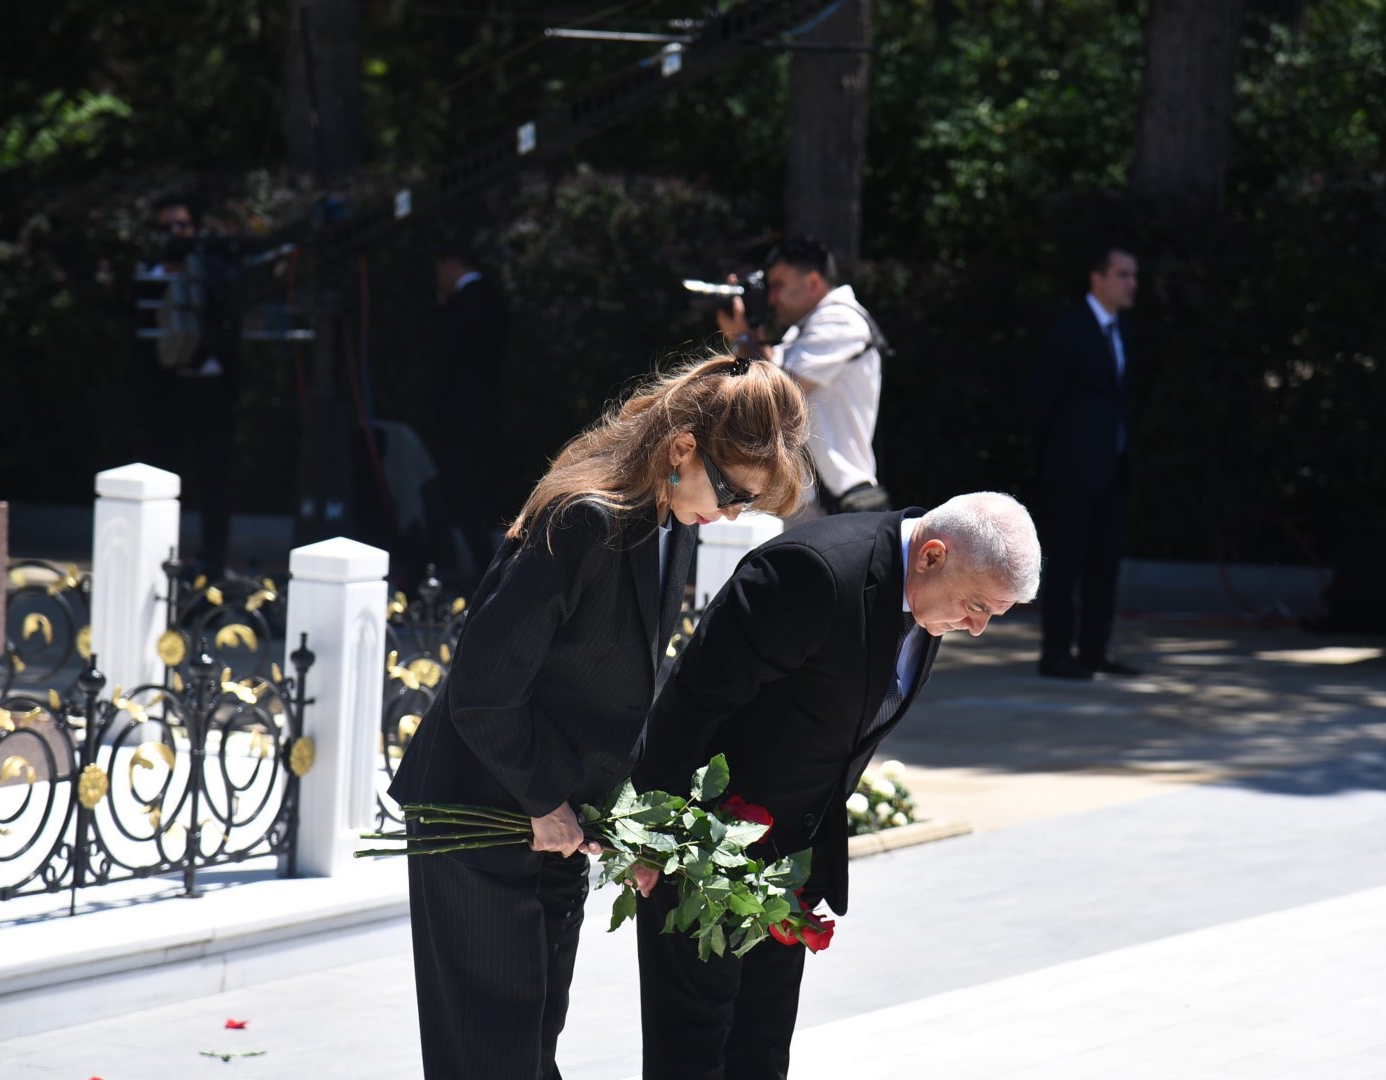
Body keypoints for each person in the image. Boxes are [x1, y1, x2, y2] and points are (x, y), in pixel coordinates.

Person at [388, 353, 812, 1079]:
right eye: (736, 493)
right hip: (484, 810)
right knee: (493, 1057)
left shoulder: (670, 523)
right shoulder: (586, 517)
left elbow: (613, 696)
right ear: (684, 449)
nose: (734, 515)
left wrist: (626, 821)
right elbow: (482, 693)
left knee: (531, 1045)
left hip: (549, 821)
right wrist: (547, 804)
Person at [631, 492, 1041, 1080]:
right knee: (692, 1054)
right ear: (930, 556)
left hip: (791, 866)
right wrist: (659, 833)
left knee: (762, 1052)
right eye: (975, 606)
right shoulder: (812, 573)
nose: (975, 629)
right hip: (704, 853)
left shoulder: (926, 600)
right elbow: (690, 703)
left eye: (990, 616)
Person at [1023, 245, 1142, 680]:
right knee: (1067, 562)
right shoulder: (1071, 330)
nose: (1131, 283)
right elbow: (1042, 400)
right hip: (1072, 471)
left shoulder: (1123, 332)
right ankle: (1055, 652)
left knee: (1105, 562)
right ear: (1098, 278)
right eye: (1123, 274)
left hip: (1111, 469)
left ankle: (1095, 649)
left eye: (1133, 275)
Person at [717, 235, 889, 516]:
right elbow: (764, 380)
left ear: (812, 282)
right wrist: (744, 334)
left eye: (778, 286)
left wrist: (748, 334)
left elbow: (779, 395)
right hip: (815, 502)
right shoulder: (804, 330)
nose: (771, 298)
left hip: (838, 503)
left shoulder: (841, 320)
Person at [139, 195, 241, 577]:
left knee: (215, 479)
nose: (175, 235)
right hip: (167, 392)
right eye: (167, 228)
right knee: (162, 477)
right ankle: (158, 560)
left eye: (182, 227)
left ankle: (213, 562)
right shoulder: (149, 277)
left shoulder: (214, 273)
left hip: (212, 392)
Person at [424, 233, 510, 587]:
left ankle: (476, 570)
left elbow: (444, 363)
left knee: (462, 494)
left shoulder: (464, 304)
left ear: (449, 264)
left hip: (458, 418)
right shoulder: (492, 299)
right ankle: (476, 566)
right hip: (482, 415)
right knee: (471, 493)